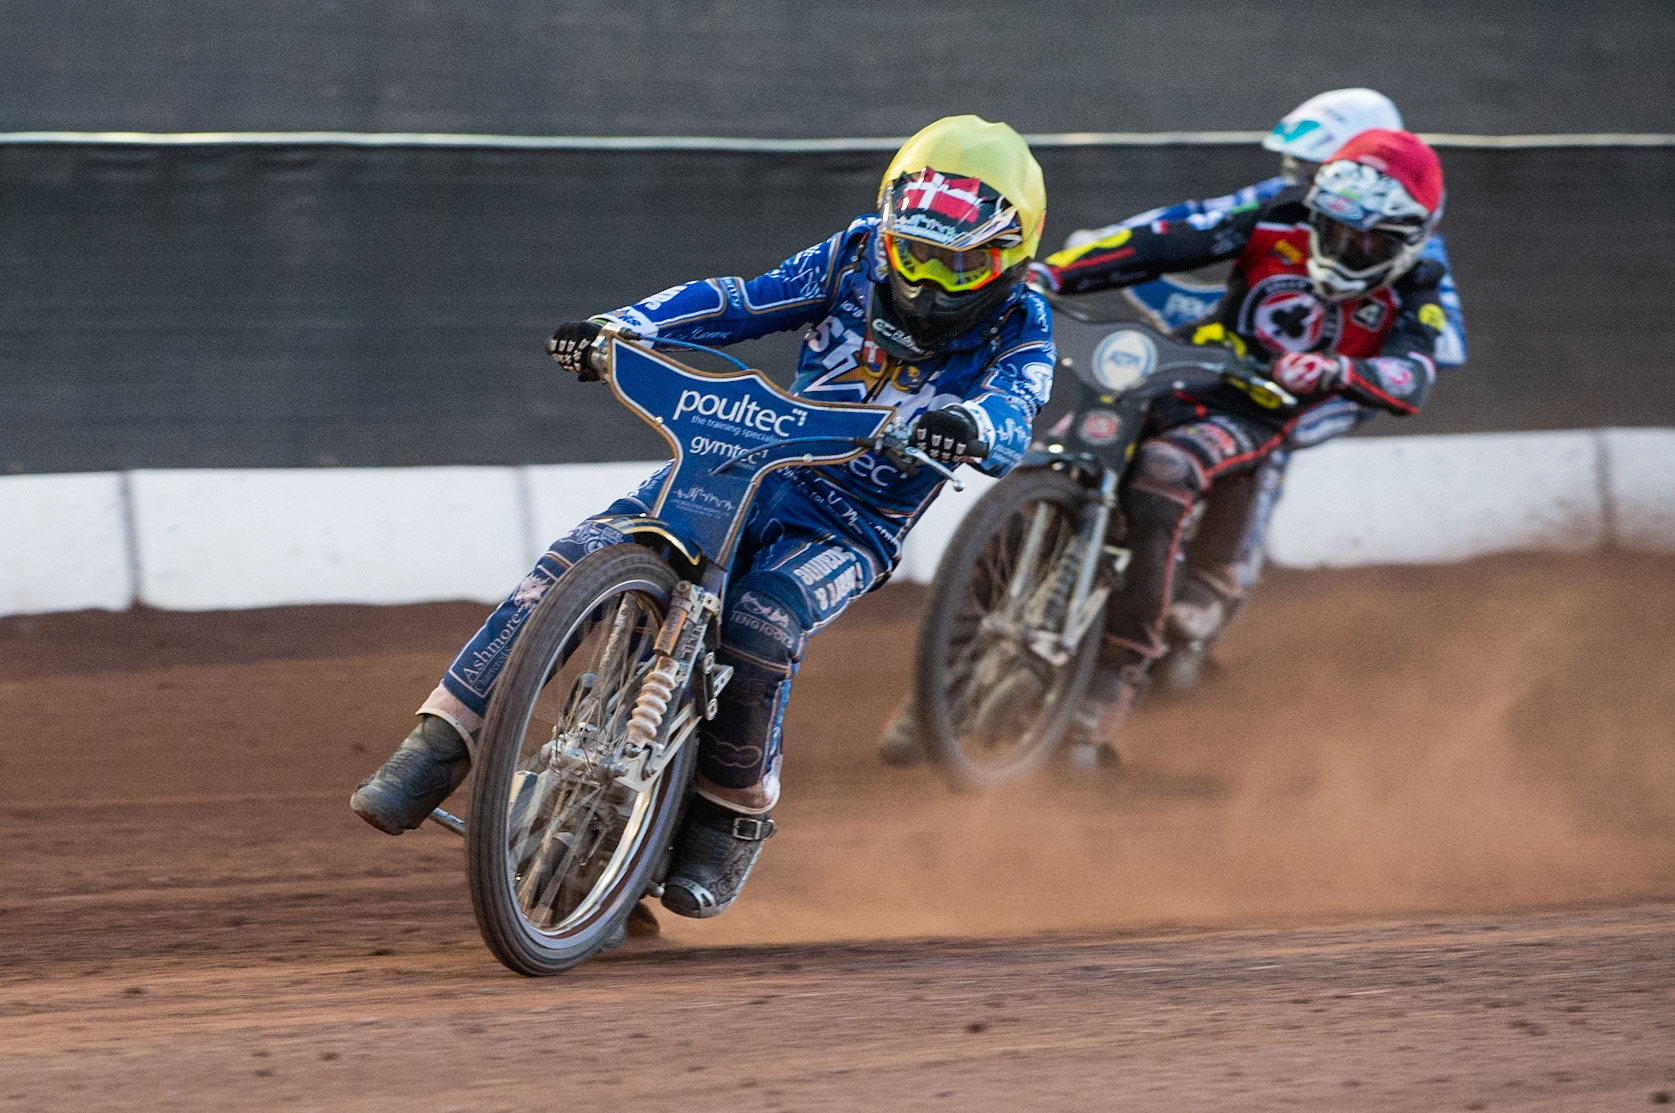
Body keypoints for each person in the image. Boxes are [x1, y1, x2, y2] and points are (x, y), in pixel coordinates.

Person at [350, 115, 1055, 919]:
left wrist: (971, 427)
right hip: (740, 458)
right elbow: (744, 301)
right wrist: (624, 328)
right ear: (889, 228)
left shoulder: (1021, 324)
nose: (925, 280)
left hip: (851, 521)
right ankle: (441, 739)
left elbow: (1014, 407)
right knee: (579, 555)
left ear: (1010, 255)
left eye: (955, 263)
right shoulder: (852, 253)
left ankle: (731, 811)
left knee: (759, 625)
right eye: (914, 251)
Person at [1029, 127, 1451, 752]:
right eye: (1331, 226)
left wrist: (1339, 370)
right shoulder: (1275, 215)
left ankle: (1116, 674)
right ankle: (968, 629)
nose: (1342, 245)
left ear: (1409, 238)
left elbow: (1413, 375)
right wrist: (1052, 275)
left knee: (1164, 471)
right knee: (1063, 450)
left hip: (1259, 412)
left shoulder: (1420, 286)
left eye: (1367, 239)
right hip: (1185, 369)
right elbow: (1168, 241)